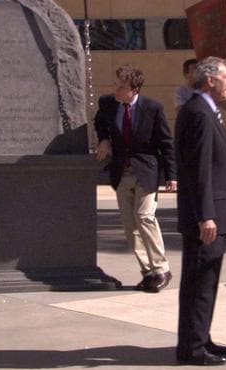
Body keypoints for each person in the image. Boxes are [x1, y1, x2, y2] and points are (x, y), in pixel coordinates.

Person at [94, 65, 176, 293]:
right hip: (122, 173)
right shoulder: (108, 104)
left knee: (144, 217)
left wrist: (172, 175)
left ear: (134, 89)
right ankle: (149, 272)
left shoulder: (152, 108)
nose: (116, 90)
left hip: (146, 171)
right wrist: (104, 140)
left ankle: (162, 268)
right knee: (131, 227)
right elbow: (100, 122)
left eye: (122, 87)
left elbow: (166, 143)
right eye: (116, 85)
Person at [174, 56, 226, 366]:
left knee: (206, 280)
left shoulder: (206, 111)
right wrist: (205, 215)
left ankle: (200, 337)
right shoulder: (198, 113)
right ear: (210, 80)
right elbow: (198, 170)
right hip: (206, 217)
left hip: (212, 213)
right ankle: (192, 348)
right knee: (199, 280)